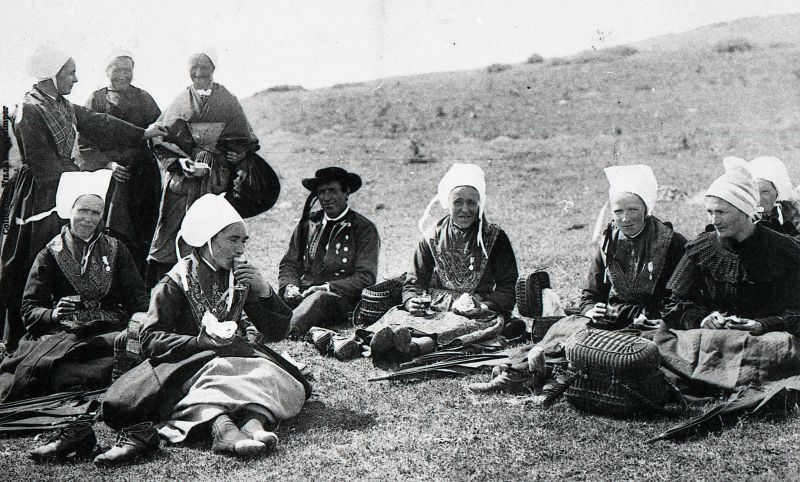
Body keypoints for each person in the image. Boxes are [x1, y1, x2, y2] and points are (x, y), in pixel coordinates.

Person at [30, 193, 310, 465]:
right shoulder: (175, 282)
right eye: (233, 239)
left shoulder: (240, 277)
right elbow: (150, 338)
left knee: (269, 373)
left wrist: (263, 290)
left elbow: (277, 331)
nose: (240, 249)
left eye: (243, 241)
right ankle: (224, 429)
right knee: (217, 380)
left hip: (233, 354)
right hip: (184, 362)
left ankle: (254, 423)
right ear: (207, 239)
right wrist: (198, 342)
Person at [0, 44, 166, 352]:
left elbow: (99, 121)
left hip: (65, 186)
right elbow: (40, 162)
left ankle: (72, 329)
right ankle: (20, 338)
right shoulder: (29, 109)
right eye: (70, 72)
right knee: (34, 258)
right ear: (51, 75)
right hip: (38, 193)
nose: (76, 79)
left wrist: (143, 133)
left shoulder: (62, 104)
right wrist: (81, 178)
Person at [0, 170, 149, 402]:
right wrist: (54, 314)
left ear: (102, 216)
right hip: (65, 332)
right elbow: (30, 308)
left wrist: (142, 318)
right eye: (83, 211)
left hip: (107, 329)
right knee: (51, 360)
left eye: (95, 213)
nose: (88, 219)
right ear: (70, 211)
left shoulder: (116, 248)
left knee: (119, 351)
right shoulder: (50, 253)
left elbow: (136, 294)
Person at [146, 48, 260, 287]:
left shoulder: (227, 100)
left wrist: (236, 153)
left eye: (204, 68)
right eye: (193, 69)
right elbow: (159, 136)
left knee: (214, 227)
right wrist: (179, 162)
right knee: (171, 228)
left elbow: (245, 139)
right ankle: (164, 288)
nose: (198, 74)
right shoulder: (180, 100)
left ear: (214, 70)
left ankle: (212, 284)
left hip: (215, 176)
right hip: (184, 178)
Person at [663, 165, 800, 334]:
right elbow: (674, 303)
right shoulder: (701, 248)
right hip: (713, 339)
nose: (714, 220)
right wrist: (703, 318)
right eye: (710, 212)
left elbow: (796, 311)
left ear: (745, 210)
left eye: (721, 212)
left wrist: (764, 325)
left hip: (768, 339)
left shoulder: (785, 250)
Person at [80, 50, 162, 275]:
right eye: (118, 69)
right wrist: (108, 165)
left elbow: (160, 132)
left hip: (143, 175)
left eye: (128, 70)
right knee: (112, 231)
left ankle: (139, 286)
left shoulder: (144, 98)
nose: (124, 75)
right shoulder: (96, 100)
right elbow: (84, 143)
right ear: (107, 71)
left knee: (144, 229)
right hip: (111, 177)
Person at [580, 165, 687, 328]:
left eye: (633, 210)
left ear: (646, 209)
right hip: (614, 318)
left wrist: (664, 319)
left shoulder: (672, 242)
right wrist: (591, 311)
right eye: (618, 211)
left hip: (657, 320)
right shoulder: (608, 243)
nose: (625, 218)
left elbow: (681, 295)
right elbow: (591, 294)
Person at [278, 167, 380, 336]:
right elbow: (290, 263)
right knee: (264, 293)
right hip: (303, 293)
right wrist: (290, 286)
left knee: (319, 299)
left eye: (332, 191)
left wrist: (327, 287)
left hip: (339, 300)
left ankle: (285, 330)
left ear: (346, 193)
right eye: (321, 192)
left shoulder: (363, 228)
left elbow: (366, 277)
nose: (326, 198)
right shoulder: (308, 223)